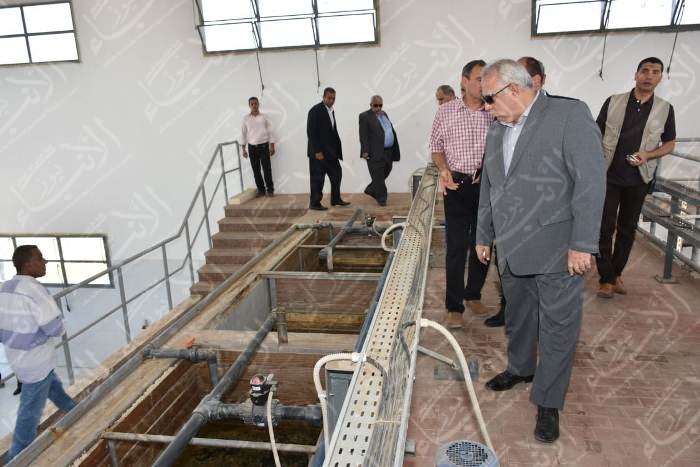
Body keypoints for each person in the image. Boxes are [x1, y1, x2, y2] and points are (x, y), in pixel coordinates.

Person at [476, 59, 605, 443]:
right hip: (511, 246)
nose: (486, 108)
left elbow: (590, 182)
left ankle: (548, 401)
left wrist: (582, 244)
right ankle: (521, 368)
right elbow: (490, 186)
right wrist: (484, 234)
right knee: (518, 318)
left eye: (489, 99)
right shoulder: (497, 128)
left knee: (558, 327)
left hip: (557, 248)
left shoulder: (568, 115)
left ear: (514, 90)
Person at [595, 57, 676, 298]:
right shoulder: (613, 101)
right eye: (645, 71)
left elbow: (670, 143)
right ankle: (606, 278)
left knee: (628, 228)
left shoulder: (665, 109)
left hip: (639, 178)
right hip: (608, 174)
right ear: (636, 74)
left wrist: (648, 155)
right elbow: (595, 133)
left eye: (655, 72)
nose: (649, 76)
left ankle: (616, 273)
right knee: (604, 227)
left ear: (660, 77)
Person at [430, 59, 492, 329]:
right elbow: (436, 148)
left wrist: (488, 167)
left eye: (486, 79)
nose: (483, 84)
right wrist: (443, 170)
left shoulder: (494, 110)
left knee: (483, 242)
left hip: (486, 186)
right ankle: (454, 306)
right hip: (455, 185)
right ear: (464, 81)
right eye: (479, 79)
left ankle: (473, 294)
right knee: (456, 247)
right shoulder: (446, 112)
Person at [0, 245, 76, 461]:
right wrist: (62, 324)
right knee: (29, 413)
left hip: (17, 358)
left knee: (52, 384)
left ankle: (73, 410)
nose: (45, 262)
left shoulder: (4, 288)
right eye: (40, 258)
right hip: (37, 361)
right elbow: (55, 328)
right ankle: (16, 458)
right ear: (28, 264)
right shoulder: (35, 290)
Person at [307, 87, 350, 210]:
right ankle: (314, 203)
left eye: (333, 98)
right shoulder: (315, 110)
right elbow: (311, 132)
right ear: (323, 97)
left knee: (337, 174)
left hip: (330, 152)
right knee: (318, 179)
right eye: (329, 98)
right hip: (319, 153)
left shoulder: (331, 111)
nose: (331, 101)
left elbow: (331, 131)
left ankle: (335, 199)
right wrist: (317, 151)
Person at [359, 95, 401, 207]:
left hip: (388, 151)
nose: (378, 108)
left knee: (387, 170)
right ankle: (382, 198)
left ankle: (371, 189)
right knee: (378, 176)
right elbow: (363, 135)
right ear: (371, 105)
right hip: (375, 152)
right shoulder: (364, 116)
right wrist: (365, 151)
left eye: (380, 105)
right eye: (375, 105)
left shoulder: (384, 114)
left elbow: (388, 130)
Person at [241, 96, 277, 197]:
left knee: (267, 169)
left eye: (255, 103)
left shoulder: (264, 117)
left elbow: (271, 131)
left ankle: (270, 190)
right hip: (252, 147)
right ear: (249, 105)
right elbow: (243, 134)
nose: (254, 105)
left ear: (258, 104)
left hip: (264, 147)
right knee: (256, 170)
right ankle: (261, 190)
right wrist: (243, 149)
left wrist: (272, 146)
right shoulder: (245, 118)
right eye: (252, 104)